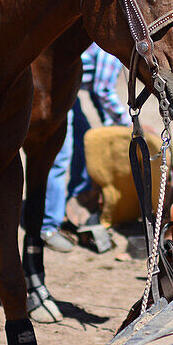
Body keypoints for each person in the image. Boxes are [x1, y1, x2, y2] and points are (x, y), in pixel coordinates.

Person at [40, 43, 131, 251]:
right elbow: (103, 91)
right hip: (58, 87)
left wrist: (113, 126)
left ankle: (77, 201)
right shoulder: (113, 51)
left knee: (84, 140)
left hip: (70, 88)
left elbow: (99, 99)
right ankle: (48, 225)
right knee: (62, 155)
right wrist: (127, 125)